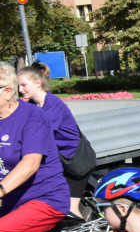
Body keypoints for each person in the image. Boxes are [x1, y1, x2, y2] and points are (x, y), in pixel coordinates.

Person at [0, 63, 70, 232]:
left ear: (7, 92)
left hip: (45, 198)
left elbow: (30, 164)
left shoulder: (32, 116)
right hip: (12, 200)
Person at [17, 63, 95, 217]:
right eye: (19, 86)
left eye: (24, 85)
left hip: (76, 164)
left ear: (37, 83)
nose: (20, 90)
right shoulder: (33, 105)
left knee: (69, 209)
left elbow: (38, 134)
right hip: (61, 163)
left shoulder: (53, 105)